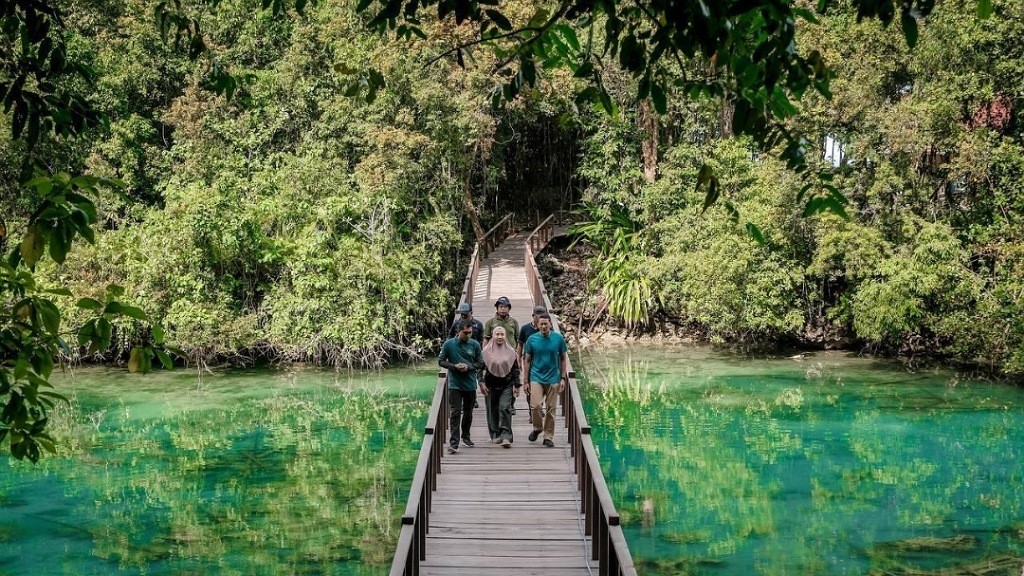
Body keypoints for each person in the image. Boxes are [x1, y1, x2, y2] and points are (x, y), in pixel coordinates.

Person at [438, 319, 484, 453]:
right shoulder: (449, 344)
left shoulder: (475, 345)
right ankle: (454, 442)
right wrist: (454, 366)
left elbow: (480, 363)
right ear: (458, 331)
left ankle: (466, 436)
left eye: (470, 333)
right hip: (455, 384)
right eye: (465, 333)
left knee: (468, 413)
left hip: (470, 383)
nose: (468, 335)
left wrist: (468, 367)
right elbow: (441, 361)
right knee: (455, 412)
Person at [522, 313, 568, 448]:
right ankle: (537, 428)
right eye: (541, 324)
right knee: (535, 406)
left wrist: (563, 378)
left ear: (550, 324)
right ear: (537, 325)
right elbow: (527, 360)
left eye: (545, 324)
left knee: (551, 408)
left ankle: (548, 436)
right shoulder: (532, 339)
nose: (543, 326)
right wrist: (525, 381)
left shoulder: (558, 339)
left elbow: (563, 358)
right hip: (536, 377)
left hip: (553, 377)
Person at [481, 326, 521, 448]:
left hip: (507, 384)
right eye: (497, 334)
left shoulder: (511, 352)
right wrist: (481, 382)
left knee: (504, 408)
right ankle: (495, 434)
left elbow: (515, 369)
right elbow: (479, 368)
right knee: (492, 409)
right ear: (493, 336)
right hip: (490, 384)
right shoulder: (485, 352)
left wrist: (517, 385)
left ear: (505, 336)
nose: (499, 337)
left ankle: (506, 435)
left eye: (502, 334)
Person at [517, 305, 547, 424]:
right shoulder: (525, 329)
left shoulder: (547, 328)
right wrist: (518, 359)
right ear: (533, 316)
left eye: (543, 316)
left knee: (544, 385)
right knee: (529, 386)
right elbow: (520, 344)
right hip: (529, 361)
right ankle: (532, 412)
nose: (540, 319)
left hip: (544, 362)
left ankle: (539, 407)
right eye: (538, 316)